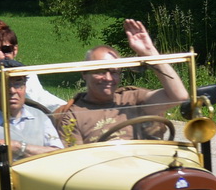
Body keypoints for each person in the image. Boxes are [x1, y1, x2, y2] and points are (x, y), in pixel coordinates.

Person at [52, 19, 191, 144]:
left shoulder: (133, 99)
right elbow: (75, 161)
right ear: (84, 73)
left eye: (114, 72)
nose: (108, 78)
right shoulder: (72, 115)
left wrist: (150, 53)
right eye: (100, 71)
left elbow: (179, 96)